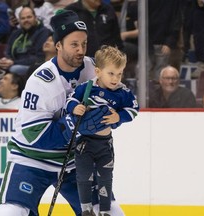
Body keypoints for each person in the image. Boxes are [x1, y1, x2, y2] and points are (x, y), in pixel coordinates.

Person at [0, 10, 125, 216]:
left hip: (76, 160)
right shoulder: (41, 81)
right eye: (74, 44)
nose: (81, 50)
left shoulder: (93, 70)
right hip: (32, 159)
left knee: (109, 212)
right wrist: (74, 124)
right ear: (58, 45)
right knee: (11, 212)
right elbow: (32, 134)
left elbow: (119, 101)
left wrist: (112, 117)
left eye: (84, 44)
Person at [66, 45, 139, 216]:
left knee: (105, 178)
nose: (116, 78)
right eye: (111, 73)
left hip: (105, 144)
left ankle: (105, 211)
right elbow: (70, 99)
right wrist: (74, 107)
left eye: (119, 73)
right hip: (84, 143)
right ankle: (86, 209)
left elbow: (134, 109)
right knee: (84, 176)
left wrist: (119, 117)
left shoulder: (123, 93)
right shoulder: (87, 88)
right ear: (98, 71)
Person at [0, 6, 51, 75]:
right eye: (23, 18)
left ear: (35, 18)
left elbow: (39, 58)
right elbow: (7, 51)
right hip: (14, 64)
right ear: (19, 21)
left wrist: (13, 62)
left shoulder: (43, 32)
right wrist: (6, 61)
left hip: (33, 67)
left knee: (14, 69)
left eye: (29, 17)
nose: (26, 20)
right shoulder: (15, 33)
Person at [148, 0, 182, 80]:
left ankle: (159, 91)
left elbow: (176, 21)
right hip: (146, 42)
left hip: (163, 43)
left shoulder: (173, 2)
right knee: (143, 71)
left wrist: (169, 43)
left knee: (160, 74)